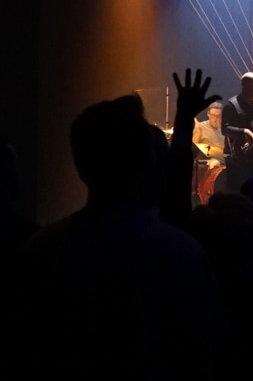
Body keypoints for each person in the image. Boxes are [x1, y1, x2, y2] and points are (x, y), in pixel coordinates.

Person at [11, 88, 225, 379]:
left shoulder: (40, 250)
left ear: (80, 164)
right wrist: (184, 120)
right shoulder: (181, 253)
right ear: (148, 163)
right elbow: (206, 350)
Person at [222, 72, 253, 193]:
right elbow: (225, 129)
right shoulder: (231, 105)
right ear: (246, 85)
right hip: (237, 157)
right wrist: (244, 132)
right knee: (239, 192)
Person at [193, 100, 227, 204]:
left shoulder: (226, 128)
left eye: (219, 116)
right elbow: (193, 147)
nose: (216, 119)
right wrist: (198, 131)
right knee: (215, 163)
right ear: (208, 114)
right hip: (208, 161)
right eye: (213, 116)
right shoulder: (201, 127)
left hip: (226, 161)